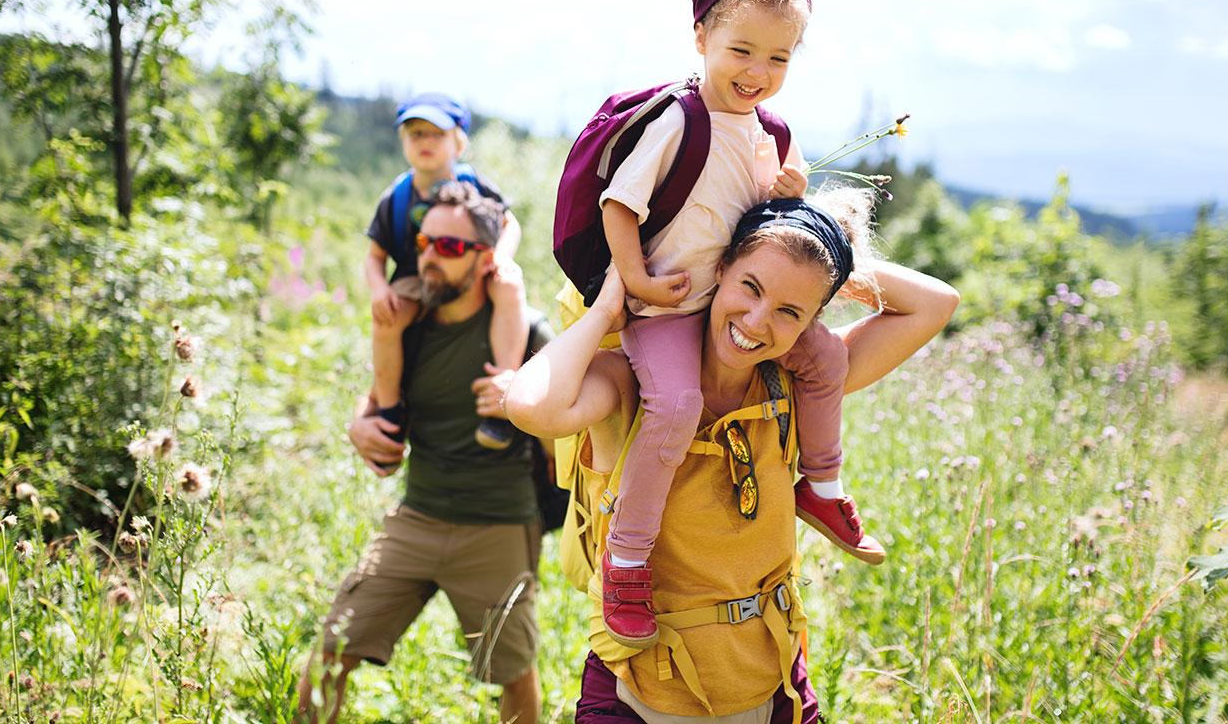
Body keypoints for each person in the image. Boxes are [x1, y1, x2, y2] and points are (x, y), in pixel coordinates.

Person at [506, 193, 959, 722]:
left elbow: (937, 303)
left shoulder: (797, 385)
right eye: (751, 286)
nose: (758, 321)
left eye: (790, 311)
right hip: (638, 692)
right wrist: (610, 308)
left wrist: (818, 249)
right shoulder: (630, 382)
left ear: (812, 320)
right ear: (718, 269)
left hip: (774, 687)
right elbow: (531, 406)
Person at [593, 0, 881, 650]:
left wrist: (786, 192)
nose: (758, 71)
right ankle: (626, 559)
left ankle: (821, 482)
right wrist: (633, 280)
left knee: (822, 361)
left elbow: (764, 223)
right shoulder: (678, 119)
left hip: (729, 299)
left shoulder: (769, 133)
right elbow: (619, 204)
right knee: (677, 405)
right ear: (701, 38)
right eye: (741, 50)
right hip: (667, 307)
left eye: (778, 58)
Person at [297, 183, 551, 724]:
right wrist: (357, 428)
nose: (430, 256)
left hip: (498, 525)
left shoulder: (526, 333)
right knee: (329, 652)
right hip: (417, 518)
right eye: (424, 242)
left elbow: (568, 429)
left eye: (450, 247)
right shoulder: (410, 325)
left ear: (486, 260)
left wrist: (525, 408)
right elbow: (373, 403)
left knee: (514, 671)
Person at [365, 92, 527, 450]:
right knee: (386, 321)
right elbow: (375, 256)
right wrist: (380, 289)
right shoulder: (395, 197)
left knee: (510, 287)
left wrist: (501, 256)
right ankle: (390, 410)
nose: (425, 142)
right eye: (415, 134)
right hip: (414, 277)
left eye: (436, 134)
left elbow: (509, 223)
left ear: (459, 141)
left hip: (471, 270)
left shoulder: (476, 185)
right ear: (403, 141)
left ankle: (500, 392)